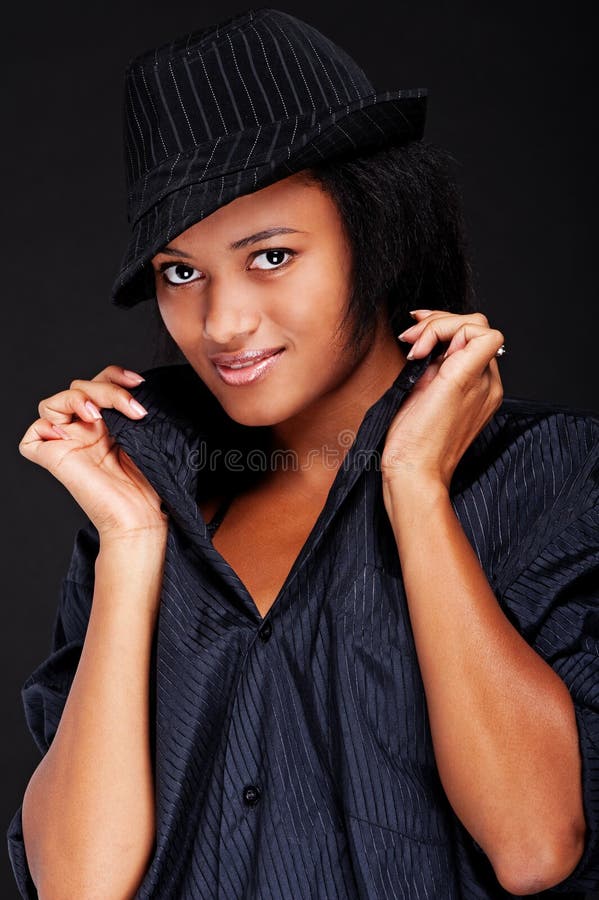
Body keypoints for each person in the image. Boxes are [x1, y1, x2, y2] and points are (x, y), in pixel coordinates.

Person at [7, 7, 599, 899]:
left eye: (272, 255)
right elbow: (77, 886)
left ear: (377, 239)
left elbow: (534, 849)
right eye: (180, 272)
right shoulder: (139, 498)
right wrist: (131, 546)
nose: (222, 322)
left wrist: (414, 487)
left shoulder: (549, 474)